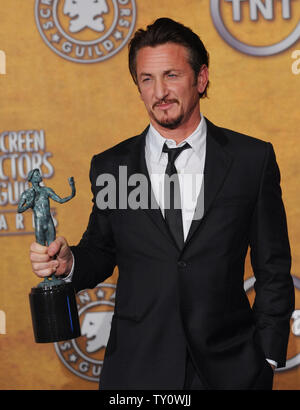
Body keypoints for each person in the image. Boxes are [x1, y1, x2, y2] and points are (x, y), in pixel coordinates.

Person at [29, 18, 294, 390]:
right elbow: (102, 250)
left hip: (230, 369)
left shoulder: (251, 160)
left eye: (171, 75)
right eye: (147, 79)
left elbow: (273, 267)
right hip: (138, 366)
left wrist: (265, 356)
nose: (159, 92)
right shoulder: (112, 165)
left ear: (200, 79)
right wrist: (70, 262)